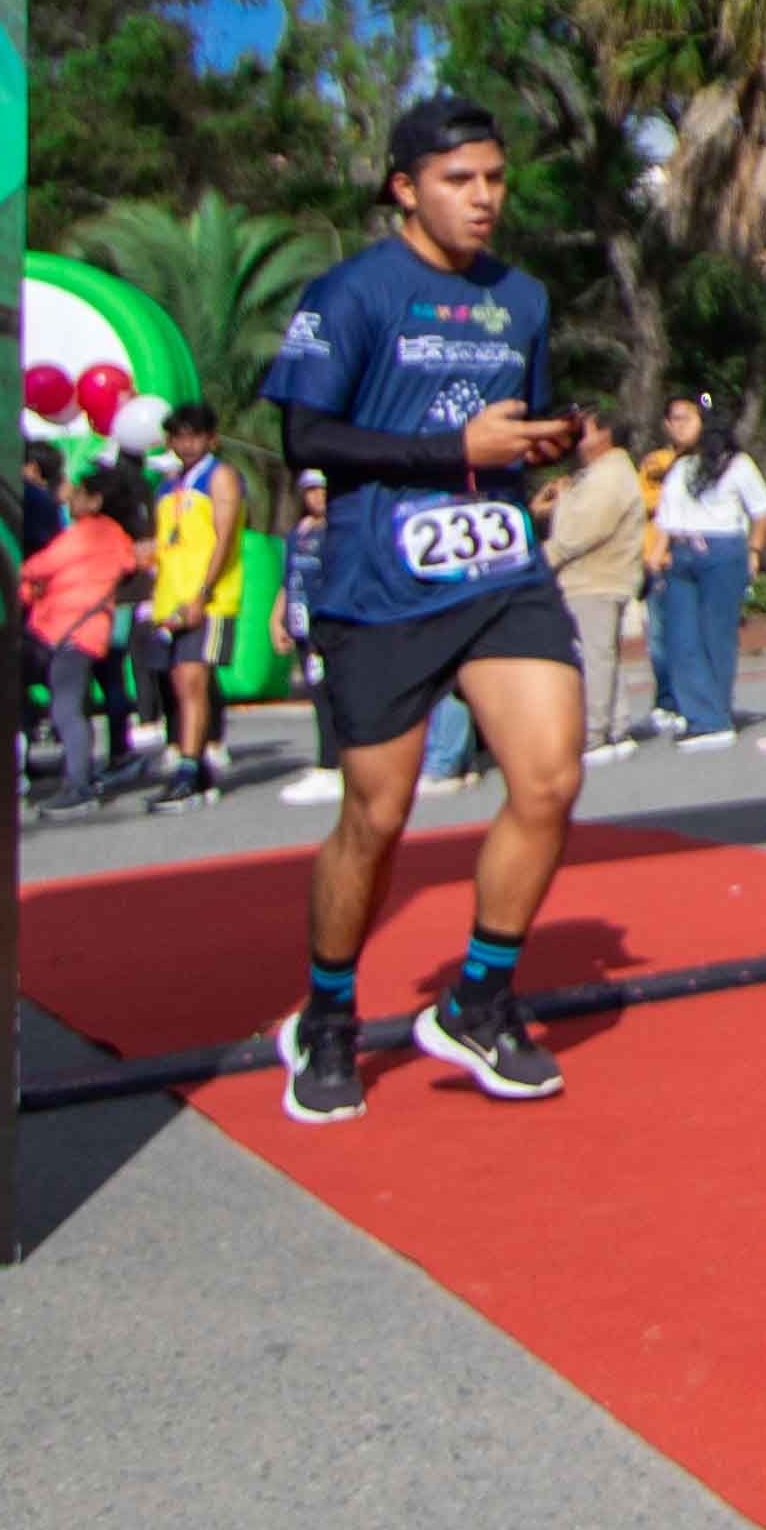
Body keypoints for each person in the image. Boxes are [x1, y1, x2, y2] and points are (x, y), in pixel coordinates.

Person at [254, 96, 595, 1121]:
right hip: (380, 582)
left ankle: (480, 999)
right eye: (460, 180)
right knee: (379, 815)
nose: (484, 198)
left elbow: (515, 425)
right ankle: (325, 1015)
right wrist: (452, 453)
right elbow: (306, 436)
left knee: (549, 778)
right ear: (405, 187)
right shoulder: (352, 293)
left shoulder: (521, 298)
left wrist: (546, 440)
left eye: (495, 179)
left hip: (497, 571)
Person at [20, 462, 150, 808]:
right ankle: (81, 776)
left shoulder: (89, 532)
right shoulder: (114, 537)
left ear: (94, 501)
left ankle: (77, 787)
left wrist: (22, 575)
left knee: (65, 710)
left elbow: (44, 564)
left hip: (67, 632)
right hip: (81, 632)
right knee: (72, 705)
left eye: (77, 493)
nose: (70, 499)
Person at [141, 421, 253, 804]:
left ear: (211, 438)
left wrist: (202, 594)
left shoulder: (219, 477)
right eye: (179, 437)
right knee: (178, 686)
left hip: (206, 600)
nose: (186, 444)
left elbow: (223, 537)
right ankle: (200, 768)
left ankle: (188, 769)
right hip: (170, 600)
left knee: (193, 681)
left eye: (195, 435)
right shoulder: (168, 485)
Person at [651, 394, 765, 748]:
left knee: (717, 634)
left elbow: (763, 511)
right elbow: (665, 520)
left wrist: (755, 551)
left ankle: (713, 718)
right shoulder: (678, 467)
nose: (678, 425)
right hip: (681, 553)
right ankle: (699, 712)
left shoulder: (736, 463)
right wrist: (655, 558)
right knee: (681, 636)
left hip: (722, 549)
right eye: (674, 419)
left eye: (687, 418)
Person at [540, 399, 652, 750]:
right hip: (594, 579)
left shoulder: (610, 474)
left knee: (595, 658)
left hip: (596, 580)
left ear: (605, 433)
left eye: (582, 429)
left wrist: (546, 557)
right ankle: (616, 729)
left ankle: (594, 733)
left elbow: (584, 528)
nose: (575, 437)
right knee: (604, 655)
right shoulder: (598, 474)